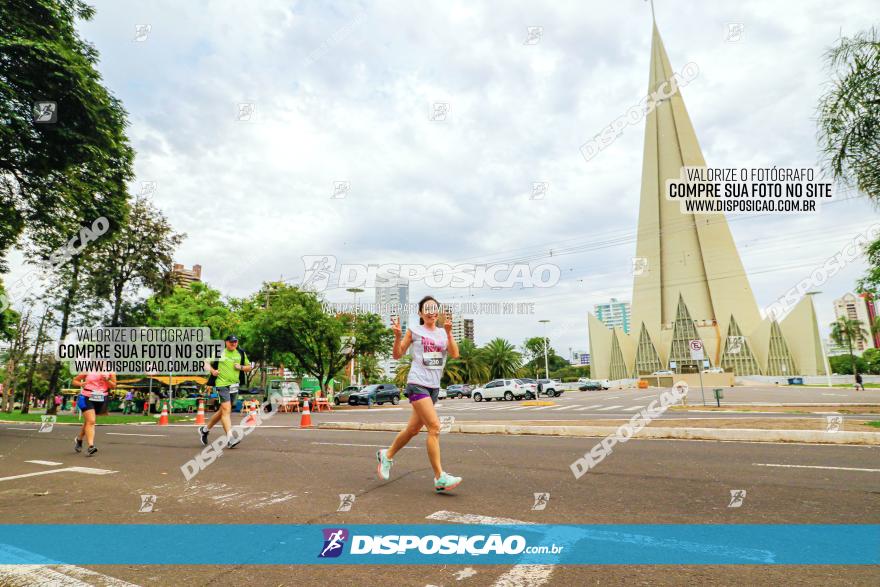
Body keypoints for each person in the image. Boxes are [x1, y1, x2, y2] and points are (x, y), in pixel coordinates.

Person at [376, 296, 462, 492]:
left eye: (434, 308)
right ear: (420, 313)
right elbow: (397, 355)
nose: (431, 312)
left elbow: (455, 354)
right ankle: (440, 477)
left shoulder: (442, 332)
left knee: (413, 430)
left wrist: (449, 333)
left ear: (437, 312)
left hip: (433, 388)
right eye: (427, 308)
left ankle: (386, 455)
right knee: (434, 427)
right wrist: (397, 336)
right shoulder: (414, 331)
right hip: (417, 384)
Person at [199, 335, 252, 448]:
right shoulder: (219, 352)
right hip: (221, 384)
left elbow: (249, 367)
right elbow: (205, 363)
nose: (233, 344)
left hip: (234, 385)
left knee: (223, 411)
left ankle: (204, 430)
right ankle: (230, 438)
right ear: (226, 342)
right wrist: (213, 371)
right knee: (226, 410)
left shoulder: (241, 353)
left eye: (235, 342)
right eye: (231, 342)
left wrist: (241, 367)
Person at [72, 366, 117, 456]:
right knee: (91, 421)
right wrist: (81, 384)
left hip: (101, 399)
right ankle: (91, 446)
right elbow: (74, 381)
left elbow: (113, 386)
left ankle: (79, 439)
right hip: (86, 397)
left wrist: (107, 379)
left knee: (88, 422)